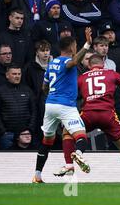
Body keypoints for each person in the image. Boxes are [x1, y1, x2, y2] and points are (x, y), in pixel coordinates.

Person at [54, 54, 120, 182]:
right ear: (103, 64)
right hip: (108, 115)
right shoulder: (112, 74)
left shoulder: (81, 78)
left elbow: (69, 96)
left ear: (88, 65)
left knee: (67, 132)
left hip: (88, 114)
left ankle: (70, 165)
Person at [32, 28, 93, 183]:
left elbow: (44, 87)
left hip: (50, 104)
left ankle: (37, 175)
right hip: (66, 105)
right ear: (72, 47)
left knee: (47, 141)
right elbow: (74, 62)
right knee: (81, 136)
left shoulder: (51, 64)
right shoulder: (67, 61)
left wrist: (54, 95)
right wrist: (86, 45)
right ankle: (78, 154)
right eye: (75, 46)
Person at [0, 64, 36, 150]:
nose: (17, 76)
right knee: (6, 161)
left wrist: (30, 129)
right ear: (7, 75)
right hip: (7, 135)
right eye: (14, 74)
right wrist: (3, 131)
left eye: (19, 74)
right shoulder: (0, 91)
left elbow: (34, 111)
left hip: (25, 134)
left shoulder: (27, 90)